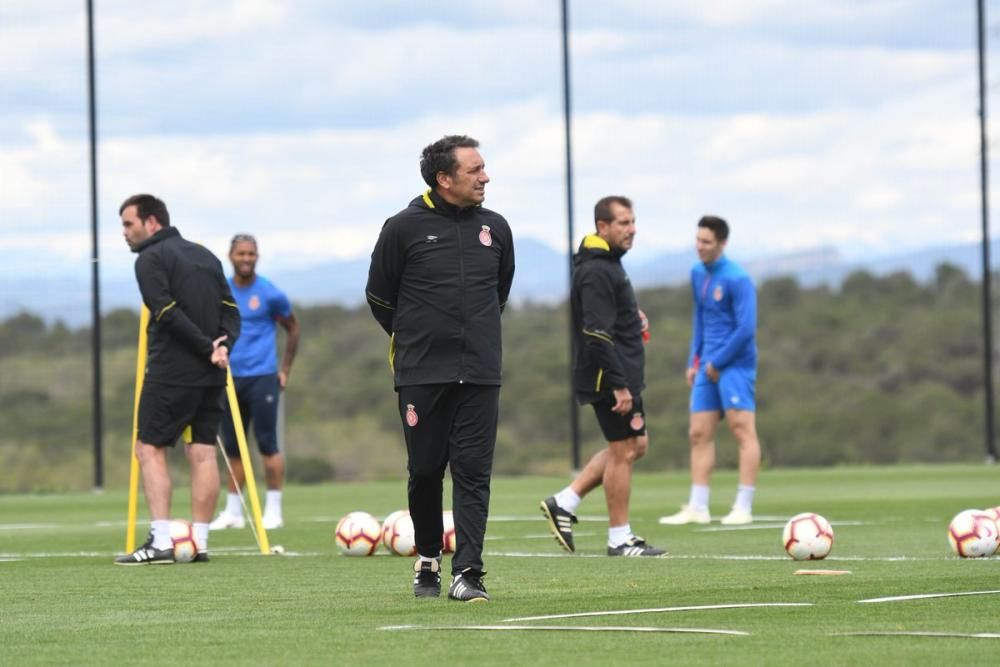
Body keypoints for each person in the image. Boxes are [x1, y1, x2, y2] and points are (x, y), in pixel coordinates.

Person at [366, 135, 515, 602]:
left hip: (481, 372)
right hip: (421, 374)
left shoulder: (496, 228)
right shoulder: (402, 227)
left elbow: (500, 293)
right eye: (475, 170)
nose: (485, 177)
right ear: (444, 179)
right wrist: (418, 337)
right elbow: (379, 297)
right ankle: (428, 559)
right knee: (426, 470)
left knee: (473, 472)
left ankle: (468, 572)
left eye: (484, 168)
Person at [115, 193, 240, 565]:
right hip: (212, 373)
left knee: (148, 449)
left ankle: (160, 541)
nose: (124, 232)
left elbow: (166, 312)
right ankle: (198, 543)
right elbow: (230, 310)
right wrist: (222, 347)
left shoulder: (150, 258)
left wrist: (206, 348)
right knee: (202, 453)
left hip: (172, 373)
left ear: (152, 222)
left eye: (128, 224)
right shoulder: (205, 255)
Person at [540, 196, 666, 558]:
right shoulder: (596, 269)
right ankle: (619, 538)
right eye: (624, 223)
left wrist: (631, 315)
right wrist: (618, 384)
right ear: (603, 227)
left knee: (634, 445)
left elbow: (607, 316)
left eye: (633, 221)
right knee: (624, 450)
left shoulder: (608, 264)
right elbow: (595, 333)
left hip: (619, 373)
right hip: (608, 378)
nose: (632, 229)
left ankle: (565, 500)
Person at [659, 215, 761, 526]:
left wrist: (718, 362)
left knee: (742, 430)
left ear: (722, 244)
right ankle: (698, 507)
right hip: (707, 365)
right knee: (698, 433)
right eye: (697, 240)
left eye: (706, 242)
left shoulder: (738, 278)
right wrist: (695, 361)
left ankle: (743, 506)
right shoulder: (696, 273)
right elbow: (700, 319)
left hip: (735, 365)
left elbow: (746, 328)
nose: (699, 247)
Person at [209, 234, 300, 532]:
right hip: (230, 379)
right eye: (241, 254)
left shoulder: (270, 293)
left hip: (262, 378)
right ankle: (233, 511)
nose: (246, 259)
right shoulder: (221, 290)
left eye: (251, 254)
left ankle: (273, 510)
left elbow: (292, 329)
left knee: (267, 444)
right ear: (231, 256)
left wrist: (284, 369)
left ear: (257, 257)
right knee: (233, 448)